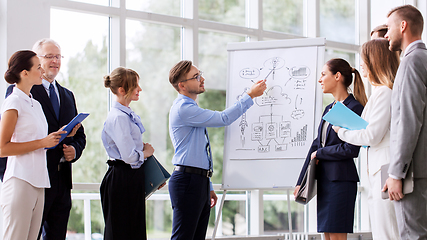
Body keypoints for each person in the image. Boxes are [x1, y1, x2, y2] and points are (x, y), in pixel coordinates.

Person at [168, 60, 266, 240]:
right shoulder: (183, 109)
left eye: (200, 74)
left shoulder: (191, 108)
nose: (202, 79)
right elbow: (223, 118)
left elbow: (198, 152)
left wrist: (208, 184)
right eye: (196, 77)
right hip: (188, 181)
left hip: (197, 180)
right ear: (182, 85)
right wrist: (250, 95)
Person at [7, 38, 87, 240]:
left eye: (58, 56)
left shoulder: (67, 95)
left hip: (61, 180)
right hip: (30, 176)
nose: (55, 61)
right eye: (49, 56)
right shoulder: (22, 92)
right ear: (35, 62)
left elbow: (79, 135)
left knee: (56, 235)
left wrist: (73, 149)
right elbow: (10, 139)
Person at [332, 39, 400, 240]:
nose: (361, 66)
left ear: (374, 62)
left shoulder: (385, 93)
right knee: (382, 231)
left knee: (388, 233)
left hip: (384, 171)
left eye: (364, 62)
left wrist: (341, 131)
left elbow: (371, 135)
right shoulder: (379, 93)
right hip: (377, 171)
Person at [294, 58, 367, 240]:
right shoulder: (330, 108)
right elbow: (316, 144)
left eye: (323, 74)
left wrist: (321, 153)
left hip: (341, 180)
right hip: (326, 180)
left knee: (335, 235)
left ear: (337, 76)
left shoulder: (355, 108)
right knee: (327, 235)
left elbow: (351, 149)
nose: (320, 79)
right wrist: (300, 181)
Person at [0, 50, 66, 240]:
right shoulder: (13, 101)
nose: (42, 71)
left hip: (39, 181)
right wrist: (41, 142)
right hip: (20, 180)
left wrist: (58, 136)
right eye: (38, 67)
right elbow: (2, 148)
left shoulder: (35, 104)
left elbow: (39, 141)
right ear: (24, 73)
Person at [383, 5, 427, 240]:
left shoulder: (411, 62)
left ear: (403, 26)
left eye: (389, 27)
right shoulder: (423, 58)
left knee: (412, 236)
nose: (386, 34)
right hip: (421, 169)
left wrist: (396, 173)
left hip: (413, 173)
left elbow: (409, 120)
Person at [100, 66, 157, 240]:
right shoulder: (119, 117)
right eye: (136, 85)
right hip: (122, 178)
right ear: (121, 90)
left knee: (132, 230)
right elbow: (129, 156)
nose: (140, 89)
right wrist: (145, 153)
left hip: (129, 177)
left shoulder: (126, 115)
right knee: (122, 231)